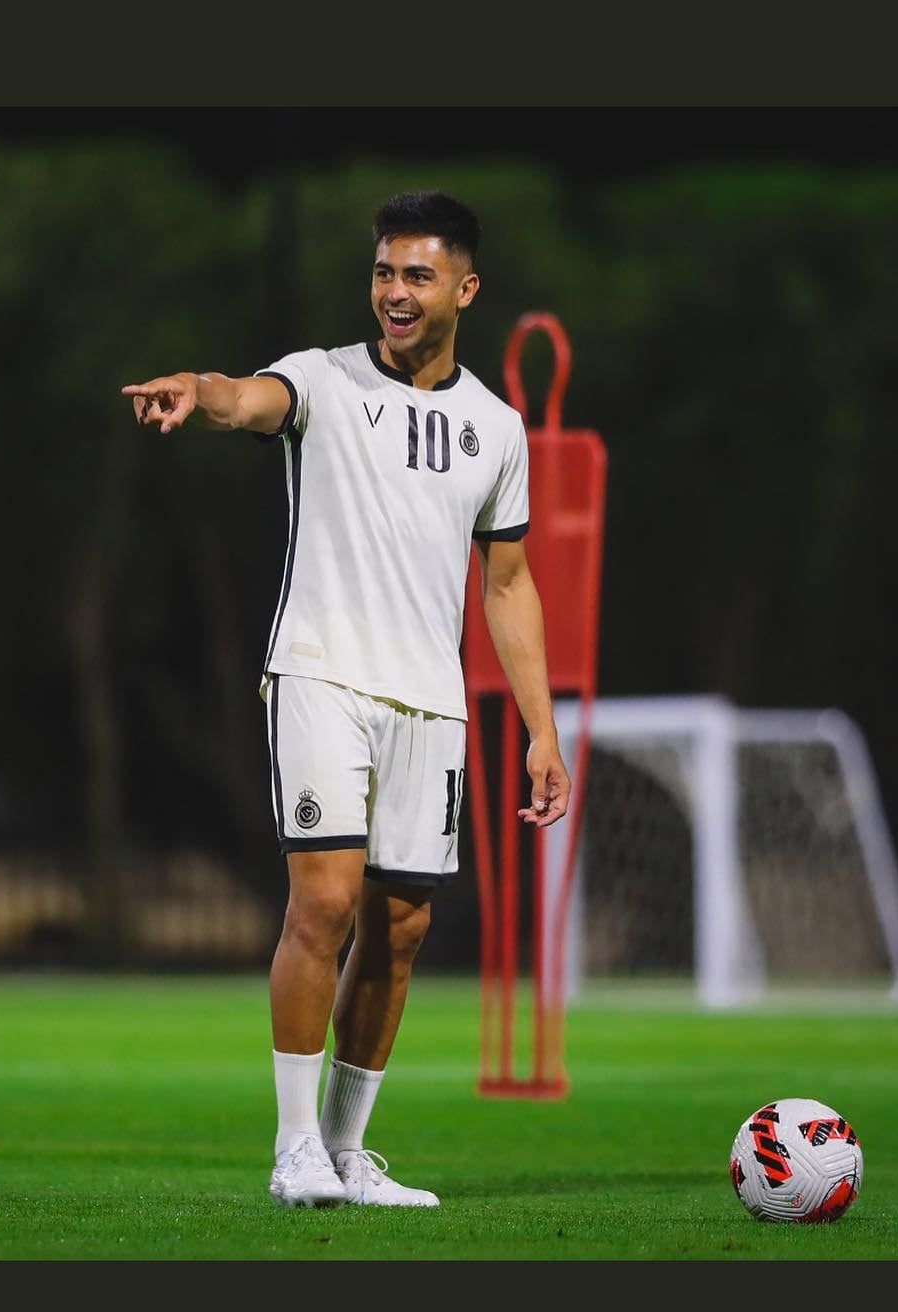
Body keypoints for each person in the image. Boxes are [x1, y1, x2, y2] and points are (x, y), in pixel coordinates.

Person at [121, 191, 570, 1209]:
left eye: (416, 275)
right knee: (324, 902)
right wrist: (198, 388)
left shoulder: (497, 430)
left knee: (400, 928)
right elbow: (248, 397)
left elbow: (507, 585)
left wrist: (541, 731)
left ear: (466, 288)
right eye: (382, 272)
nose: (394, 292)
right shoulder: (322, 379)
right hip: (322, 674)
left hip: (432, 704)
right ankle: (291, 1150)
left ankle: (344, 1150)